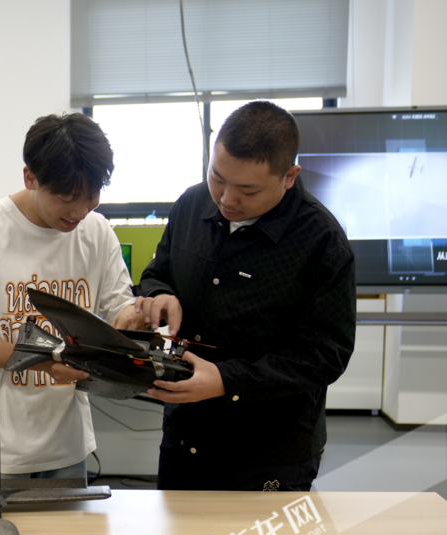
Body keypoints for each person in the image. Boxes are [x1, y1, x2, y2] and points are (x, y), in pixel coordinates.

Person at [136, 100, 356, 491]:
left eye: (247, 190)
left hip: (269, 452)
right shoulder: (190, 205)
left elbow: (324, 356)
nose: (226, 199)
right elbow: (158, 272)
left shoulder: (322, 241)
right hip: (185, 436)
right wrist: (158, 294)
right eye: (217, 177)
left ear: (289, 176)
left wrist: (225, 379)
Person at [0, 112, 141, 480]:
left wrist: (131, 319)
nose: (79, 211)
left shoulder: (96, 231)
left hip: (65, 443)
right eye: (66, 198)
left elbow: (117, 305)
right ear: (30, 177)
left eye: (92, 196)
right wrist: (44, 361)